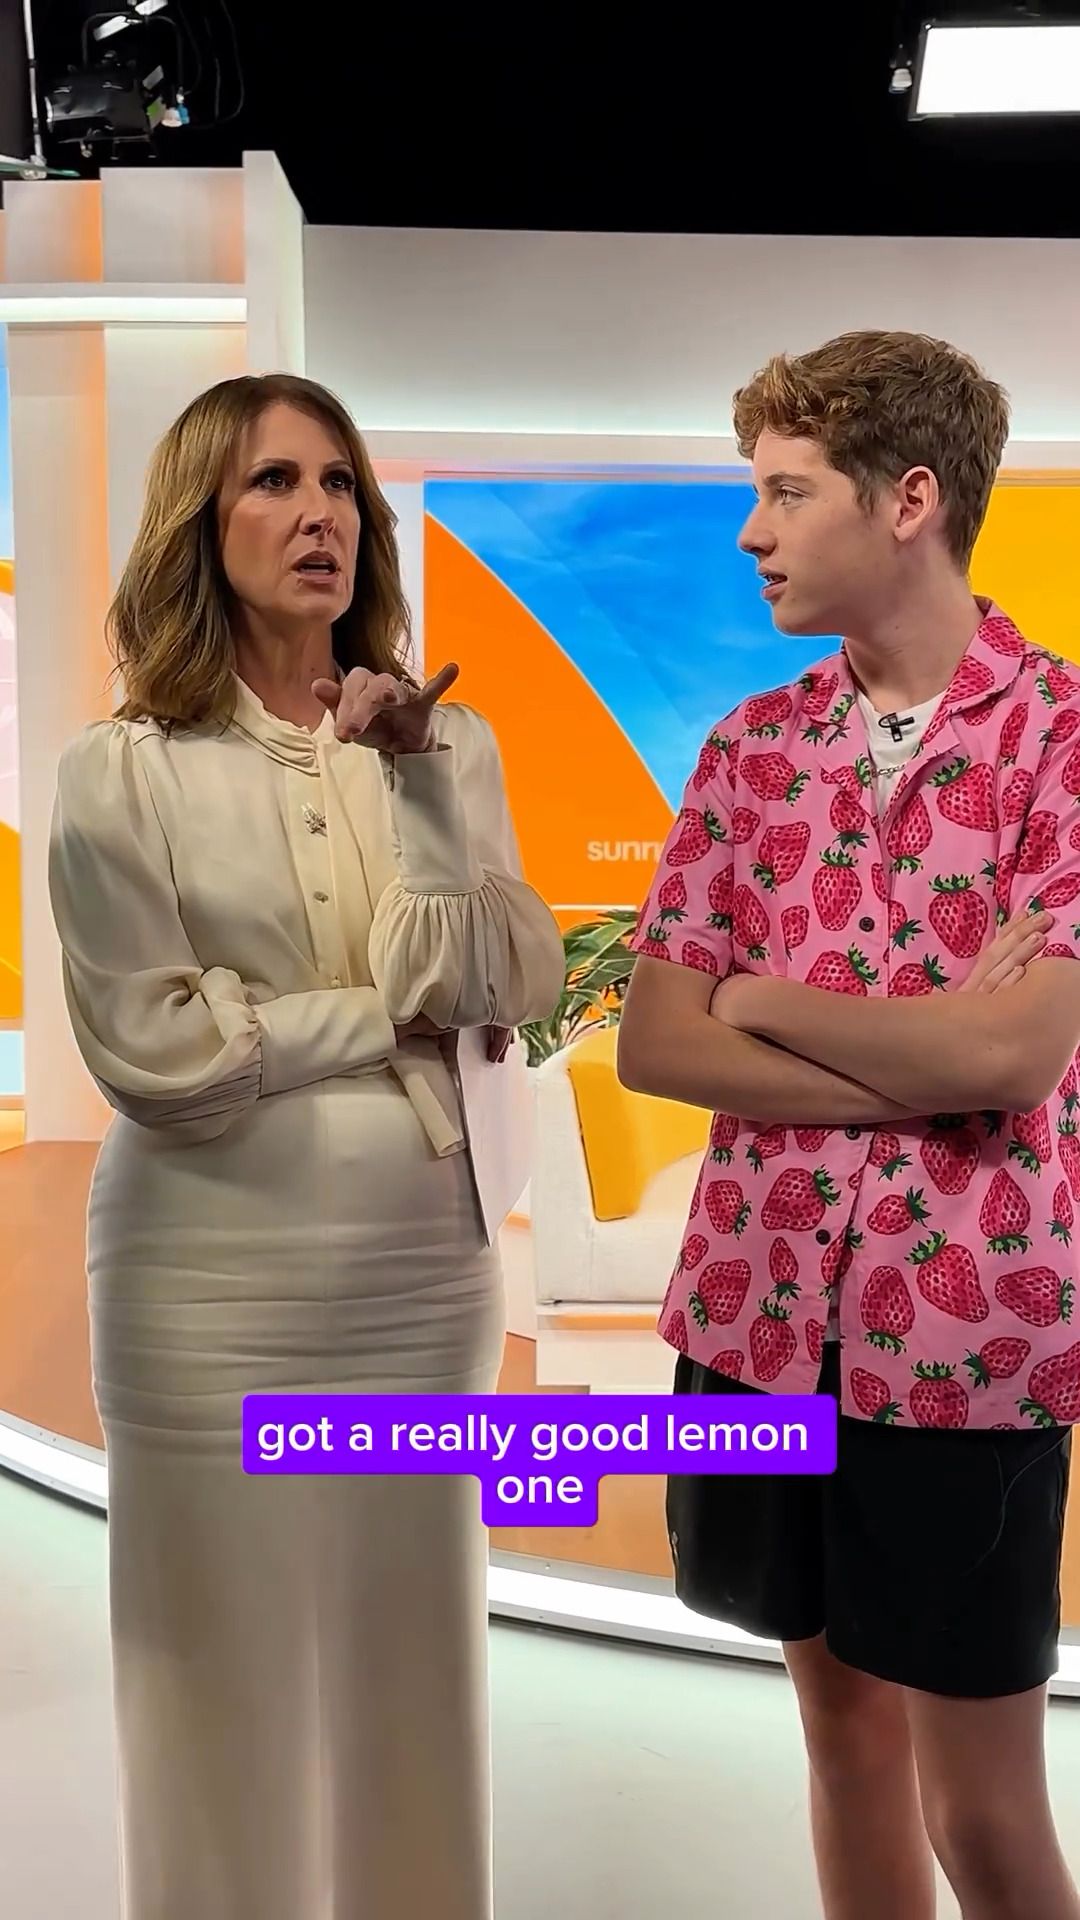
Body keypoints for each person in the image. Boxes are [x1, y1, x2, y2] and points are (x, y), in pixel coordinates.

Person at [47, 372, 564, 1920]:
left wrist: (415, 789)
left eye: (340, 484)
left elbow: (499, 982)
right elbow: (159, 1051)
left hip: (421, 1288)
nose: (318, 512)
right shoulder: (121, 769)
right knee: (215, 1697)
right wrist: (372, 1021)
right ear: (200, 525)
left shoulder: (449, 744)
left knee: (416, 1678)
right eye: (273, 482)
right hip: (205, 1291)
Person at [618, 331, 1080, 1920]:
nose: (752, 533)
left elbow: (1018, 1052)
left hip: (968, 1339)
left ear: (910, 500)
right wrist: (932, 1055)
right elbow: (657, 1044)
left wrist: (764, 998)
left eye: (787, 492)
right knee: (840, 1742)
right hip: (755, 1317)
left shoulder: (1059, 736)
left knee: (988, 1808)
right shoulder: (749, 750)